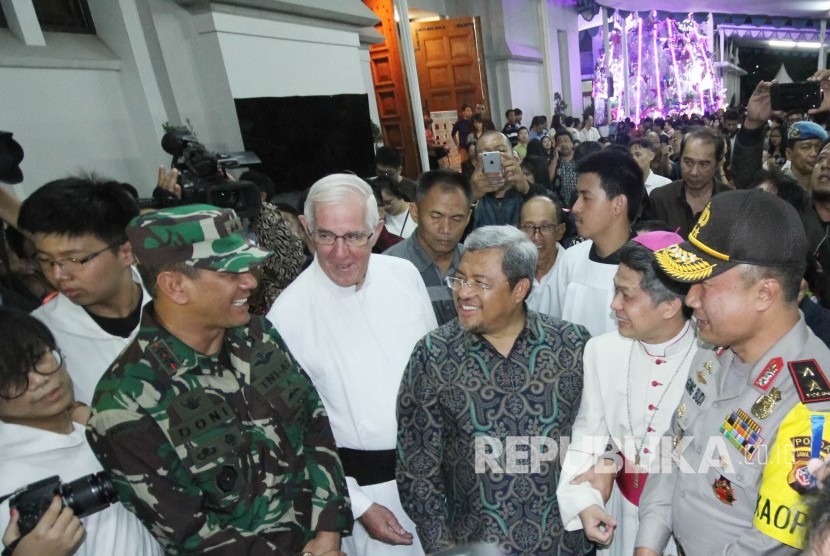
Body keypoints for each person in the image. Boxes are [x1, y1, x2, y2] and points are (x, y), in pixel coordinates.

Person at [87, 205, 352, 554]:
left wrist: (328, 529)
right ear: (175, 286)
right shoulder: (125, 402)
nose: (251, 281)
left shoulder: (258, 336)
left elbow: (313, 426)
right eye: (231, 273)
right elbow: (187, 531)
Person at [636, 189, 830, 555]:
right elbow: (673, 447)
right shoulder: (712, 350)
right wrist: (649, 541)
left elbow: (772, 543)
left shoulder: (813, 406)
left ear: (764, 294)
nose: (690, 299)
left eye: (704, 285)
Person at [267, 174, 437, 555]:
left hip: (439, 478)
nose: (340, 253)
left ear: (376, 230)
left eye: (354, 236)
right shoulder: (286, 317)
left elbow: (437, 373)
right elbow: (293, 437)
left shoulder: (404, 276)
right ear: (305, 229)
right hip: (367, 496)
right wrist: (358, 506)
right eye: (325, 236)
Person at [396, 225, 592, 555]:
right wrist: (441, 548)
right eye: (460, 279)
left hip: (565, 544)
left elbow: (596, 442)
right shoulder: (434, 354)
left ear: (520, 289)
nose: (463, 292)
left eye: (481, 283)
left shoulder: (571, 346)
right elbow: (417, 468)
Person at [557, 232, 693, 556]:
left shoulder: (712, 358)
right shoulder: (602, 350)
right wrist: (586, 503)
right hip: (619, 519)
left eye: (626, 295)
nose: (613, 304)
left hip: (686, 529)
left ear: (671, 305)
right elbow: (588, 434)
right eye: (615, 288)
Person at [0, 307, 162, 556]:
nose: (39, 379)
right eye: (13, 378)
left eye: (38, 358)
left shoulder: (93, 428)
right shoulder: (8, 483)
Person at [16, 178, 149, 406]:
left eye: (75, 260)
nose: (59, 275)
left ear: (126, 252)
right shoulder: (38, 335)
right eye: (46, 261)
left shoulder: (179, 297)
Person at [538, 149, 645, 336]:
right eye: (577, 196)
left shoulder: (649, 267)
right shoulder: (571, 259)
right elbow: (551, 325)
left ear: (618, 204)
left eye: (586, 197)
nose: (576, 207)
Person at [384, 170, 472, 326]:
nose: (446, 228)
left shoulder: (477, 265)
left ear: (468, 218)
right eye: (436, 216)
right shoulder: (390, 268)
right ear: (415, 212)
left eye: (456, 218)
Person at [732, 79, 828, 190]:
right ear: (789, 154)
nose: (814, 153)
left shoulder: (825, 189)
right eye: (806, 147)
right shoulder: (774, 188)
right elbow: (746, 180)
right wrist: (753, 123)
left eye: (819, 147)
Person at [644, 126, 731, 238]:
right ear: (680, 159)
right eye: (688, 162)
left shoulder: (730, 203)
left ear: (717, 164)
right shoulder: (660, 199)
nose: (694, 172)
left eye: (703, 164)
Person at [470, 131, 546, 229]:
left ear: (515, 158)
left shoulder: (535, 191)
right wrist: (471, 197)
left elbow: (558, 223)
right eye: (486, 154)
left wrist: (526, 189)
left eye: (501, 151)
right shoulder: (468, 198)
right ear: (476, 164)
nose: (495, 158)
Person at [520, 195, 567, 312]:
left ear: (560, 231)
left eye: (545, 226)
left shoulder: (572, 272)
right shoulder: (510, 270)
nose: (536, 236)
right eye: (529, 227)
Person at [551, 130, 579, 208]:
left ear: (572, 143)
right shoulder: (555, 161)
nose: (563, 144)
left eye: (566, 141)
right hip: (561, 203)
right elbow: (549, 178)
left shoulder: (579, 157)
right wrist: (555, 157)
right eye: (560, 142)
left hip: (579, 201)